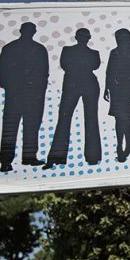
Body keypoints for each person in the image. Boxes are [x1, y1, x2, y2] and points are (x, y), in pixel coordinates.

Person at [44, 28, 101, 169]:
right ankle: (57, 156)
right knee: (65, 117)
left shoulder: (92, 53)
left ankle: (92, 157)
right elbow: (65, 65)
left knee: (90, 119)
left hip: (86, 84)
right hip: (74, 84)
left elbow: (95, 65)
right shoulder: (69, 50)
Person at [0, 22, 49, 172]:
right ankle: (6, 161)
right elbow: (2, 68)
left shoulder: (39, 49)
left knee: (30, 126)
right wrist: (9, 86)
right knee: (10, 127)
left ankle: (29, 156)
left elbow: (44, 72)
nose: (29, 32)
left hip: (33, 95)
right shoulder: (10, 48)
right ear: (21, 31)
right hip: (17, 94)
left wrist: (40, 91)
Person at [104, 28, 130, 163]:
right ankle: (126, 144)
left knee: (123, 116)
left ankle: (123, 146)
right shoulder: (114, 52)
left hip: (127, 85)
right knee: (119, 117)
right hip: (115, 87)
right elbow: (108, 71)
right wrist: (107, 88)